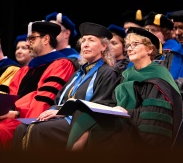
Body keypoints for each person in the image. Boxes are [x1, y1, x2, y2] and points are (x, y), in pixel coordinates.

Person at [0, 21, 76, 150]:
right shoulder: (25, 70)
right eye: (28, 39)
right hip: (13, 116)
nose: (27, 43)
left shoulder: (61, 64)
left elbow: (44, 100)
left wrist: (15, 113)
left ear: (46, 39)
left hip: (36, 118)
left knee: (2, 130)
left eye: (32, 38)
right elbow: (11, 96)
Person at [66, 27, 182, 152]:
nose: (130, 49)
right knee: (82, 115)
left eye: (135, 44)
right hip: (119, 120)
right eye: (128, 45)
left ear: (150, 49)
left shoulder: (158, 76)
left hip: (136, 129)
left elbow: (153, 116)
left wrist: (127, 112)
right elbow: (111, 102)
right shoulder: (126, 75)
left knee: (95, 129)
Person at [11, 22, 119, 151]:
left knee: (37, 129)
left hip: (83, 122)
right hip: (64, 118)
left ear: (103, 46)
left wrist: (62, 112)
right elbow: (59, 100)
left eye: (91, 40)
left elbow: (100, 105)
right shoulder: (78, 73)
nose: (85, 44)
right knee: (21, 128)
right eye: (83, 40)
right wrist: (54, 111)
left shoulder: (107, 73)